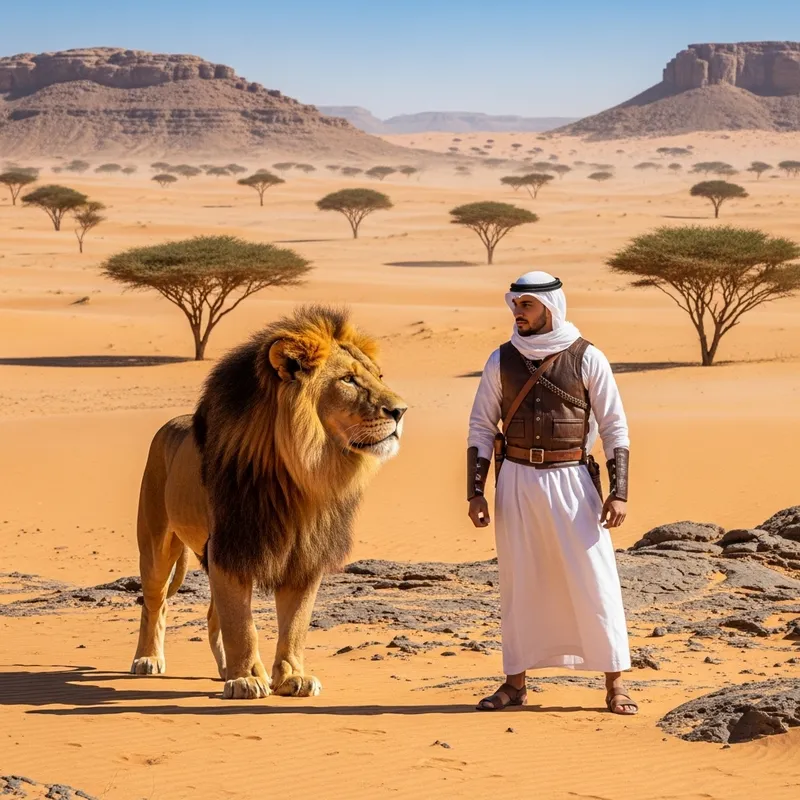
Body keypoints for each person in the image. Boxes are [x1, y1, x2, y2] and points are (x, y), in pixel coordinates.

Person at [467, 270, 636, 715]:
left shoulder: (587, 357)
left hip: (572, 481)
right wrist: (475, 493)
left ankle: (616, 683)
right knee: (519, 581)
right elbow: (481, 427)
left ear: (551, 308)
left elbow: (615, 427)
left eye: (526, 305)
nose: (517, 313)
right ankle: (515, 683)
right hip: (516, 481)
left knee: (595, 579)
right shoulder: (500, 359)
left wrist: (619, 493)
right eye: (515, 305)